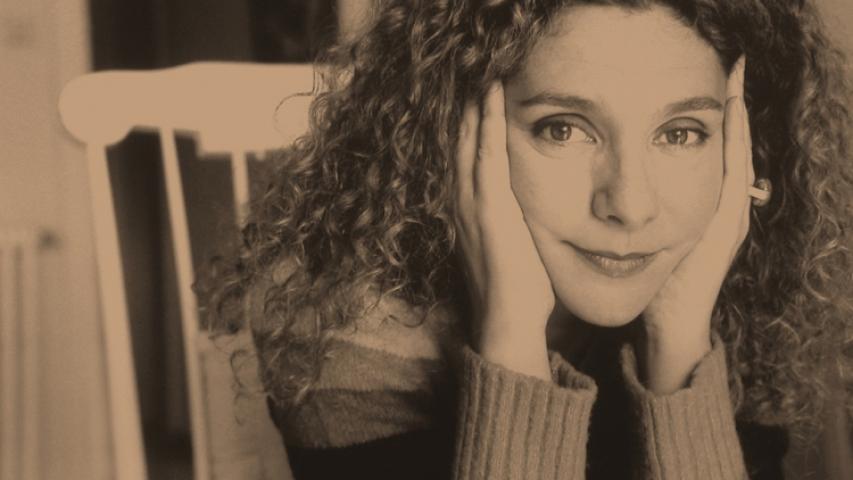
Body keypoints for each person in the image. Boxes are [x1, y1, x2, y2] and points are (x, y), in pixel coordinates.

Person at [197, 0, 853, 478]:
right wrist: (510, 338)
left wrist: (680, 343)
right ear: (449, 127)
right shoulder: (339, 314)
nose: (630, 205)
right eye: (562, 128)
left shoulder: (745, 281)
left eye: (680, 134)